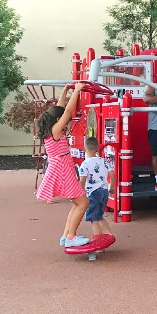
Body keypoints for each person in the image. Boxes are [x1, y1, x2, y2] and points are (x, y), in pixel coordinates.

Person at [36, 83, 91, 247]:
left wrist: (66, 91)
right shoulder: (55, 130)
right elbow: (67, 112)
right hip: (62, 169)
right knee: (83, 203)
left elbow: (60, 109)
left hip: (61, 167)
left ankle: (66, 235)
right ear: (57, 120)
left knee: (77, 202)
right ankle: (71, 237)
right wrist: (77, 91)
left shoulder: (50, 127)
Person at [79, 136, 115, 237]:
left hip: (93, 193)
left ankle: (99, 241)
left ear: (84, 149)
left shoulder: (85, 164)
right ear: (97, 148)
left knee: (94, 219)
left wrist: (80, 193)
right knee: (100, 216)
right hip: (104, 191)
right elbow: (112, 174)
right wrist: (111, 187)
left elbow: (82, 181)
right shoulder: (104, 161)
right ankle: (108, 235)